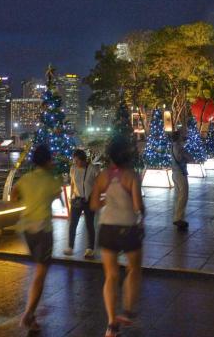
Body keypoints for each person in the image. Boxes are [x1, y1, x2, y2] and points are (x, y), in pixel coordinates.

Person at [90, 137, 144, 337]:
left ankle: (111, 324)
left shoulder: (102, 176)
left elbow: (94, 205)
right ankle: (127, 311)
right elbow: (137, 206)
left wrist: (108, 200)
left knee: (111, 276)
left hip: (108, 228)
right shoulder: (132, 176)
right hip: (128, 227)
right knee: (133, 269)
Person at [11, 145, 63, 332]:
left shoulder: (26, 178)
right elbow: (57, 195)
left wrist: (26, 200)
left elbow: (14, 194)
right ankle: (28, 314)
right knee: (40, 274)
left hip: (26, 229)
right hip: (43, 229)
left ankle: (31, 319)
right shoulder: (51, 180)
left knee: (37, 269)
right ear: (48, 161)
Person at [65, 149, 99, 257]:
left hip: (89, 200)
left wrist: (95, 197)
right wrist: (71, 197)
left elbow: (98, 184)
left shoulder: (92, 169)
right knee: (73, 224)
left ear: (83, 159)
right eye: (74, 160)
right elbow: (72, 183)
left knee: (89, 224)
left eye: (77, 160)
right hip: (76, 199)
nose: (75, 163)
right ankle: (70, 247)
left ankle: (90, 248)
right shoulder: (73, 169)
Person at [170, 131, 191, 230]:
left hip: (176, 172)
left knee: (179, 195)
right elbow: (181, 157)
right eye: (181, 136)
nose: (183, 137)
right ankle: (178, 218)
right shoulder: (178, 147)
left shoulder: (174, 146)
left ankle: (178, 217)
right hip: (180, 173)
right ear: (178, 137)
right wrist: (187, 157)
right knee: (183, 195)